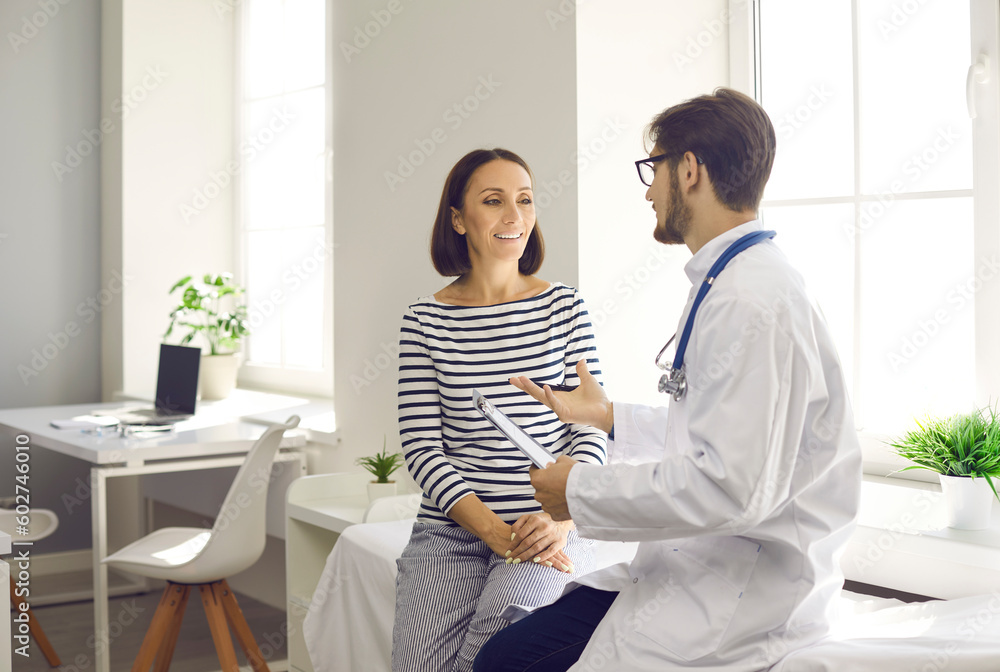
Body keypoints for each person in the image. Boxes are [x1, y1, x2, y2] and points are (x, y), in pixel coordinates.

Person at [474, 89, 863, 672]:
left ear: (688, 170)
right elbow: (722, 428)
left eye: (653, 169)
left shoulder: (754, 302)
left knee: (506, 663)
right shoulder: (730, 281)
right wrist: (608, 418)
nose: (650, 190)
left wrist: (574, 492)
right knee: (507, 652)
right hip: (690, 570)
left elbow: (731, 487)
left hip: (740, 598)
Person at [392, 148, 609, 672]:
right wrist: (490, 528)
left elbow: (591, 428)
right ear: (459, 219)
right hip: (451, 531)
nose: (515, 216)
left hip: (545, 529)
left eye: (525, 200)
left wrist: (563, 517)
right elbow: (422, 449)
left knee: (492, 658)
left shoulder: (565, 307)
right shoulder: (424, 320)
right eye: (494, 201)